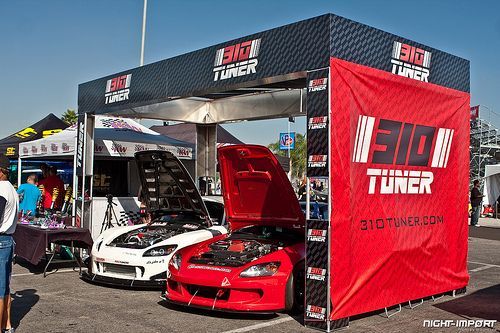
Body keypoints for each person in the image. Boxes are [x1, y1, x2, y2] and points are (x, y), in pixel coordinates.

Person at [0, 154, 17, 333]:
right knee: (4, 287)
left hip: (1, 239)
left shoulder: (1, 189)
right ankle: (7, 324)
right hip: (8, 240)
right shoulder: (11, 188)